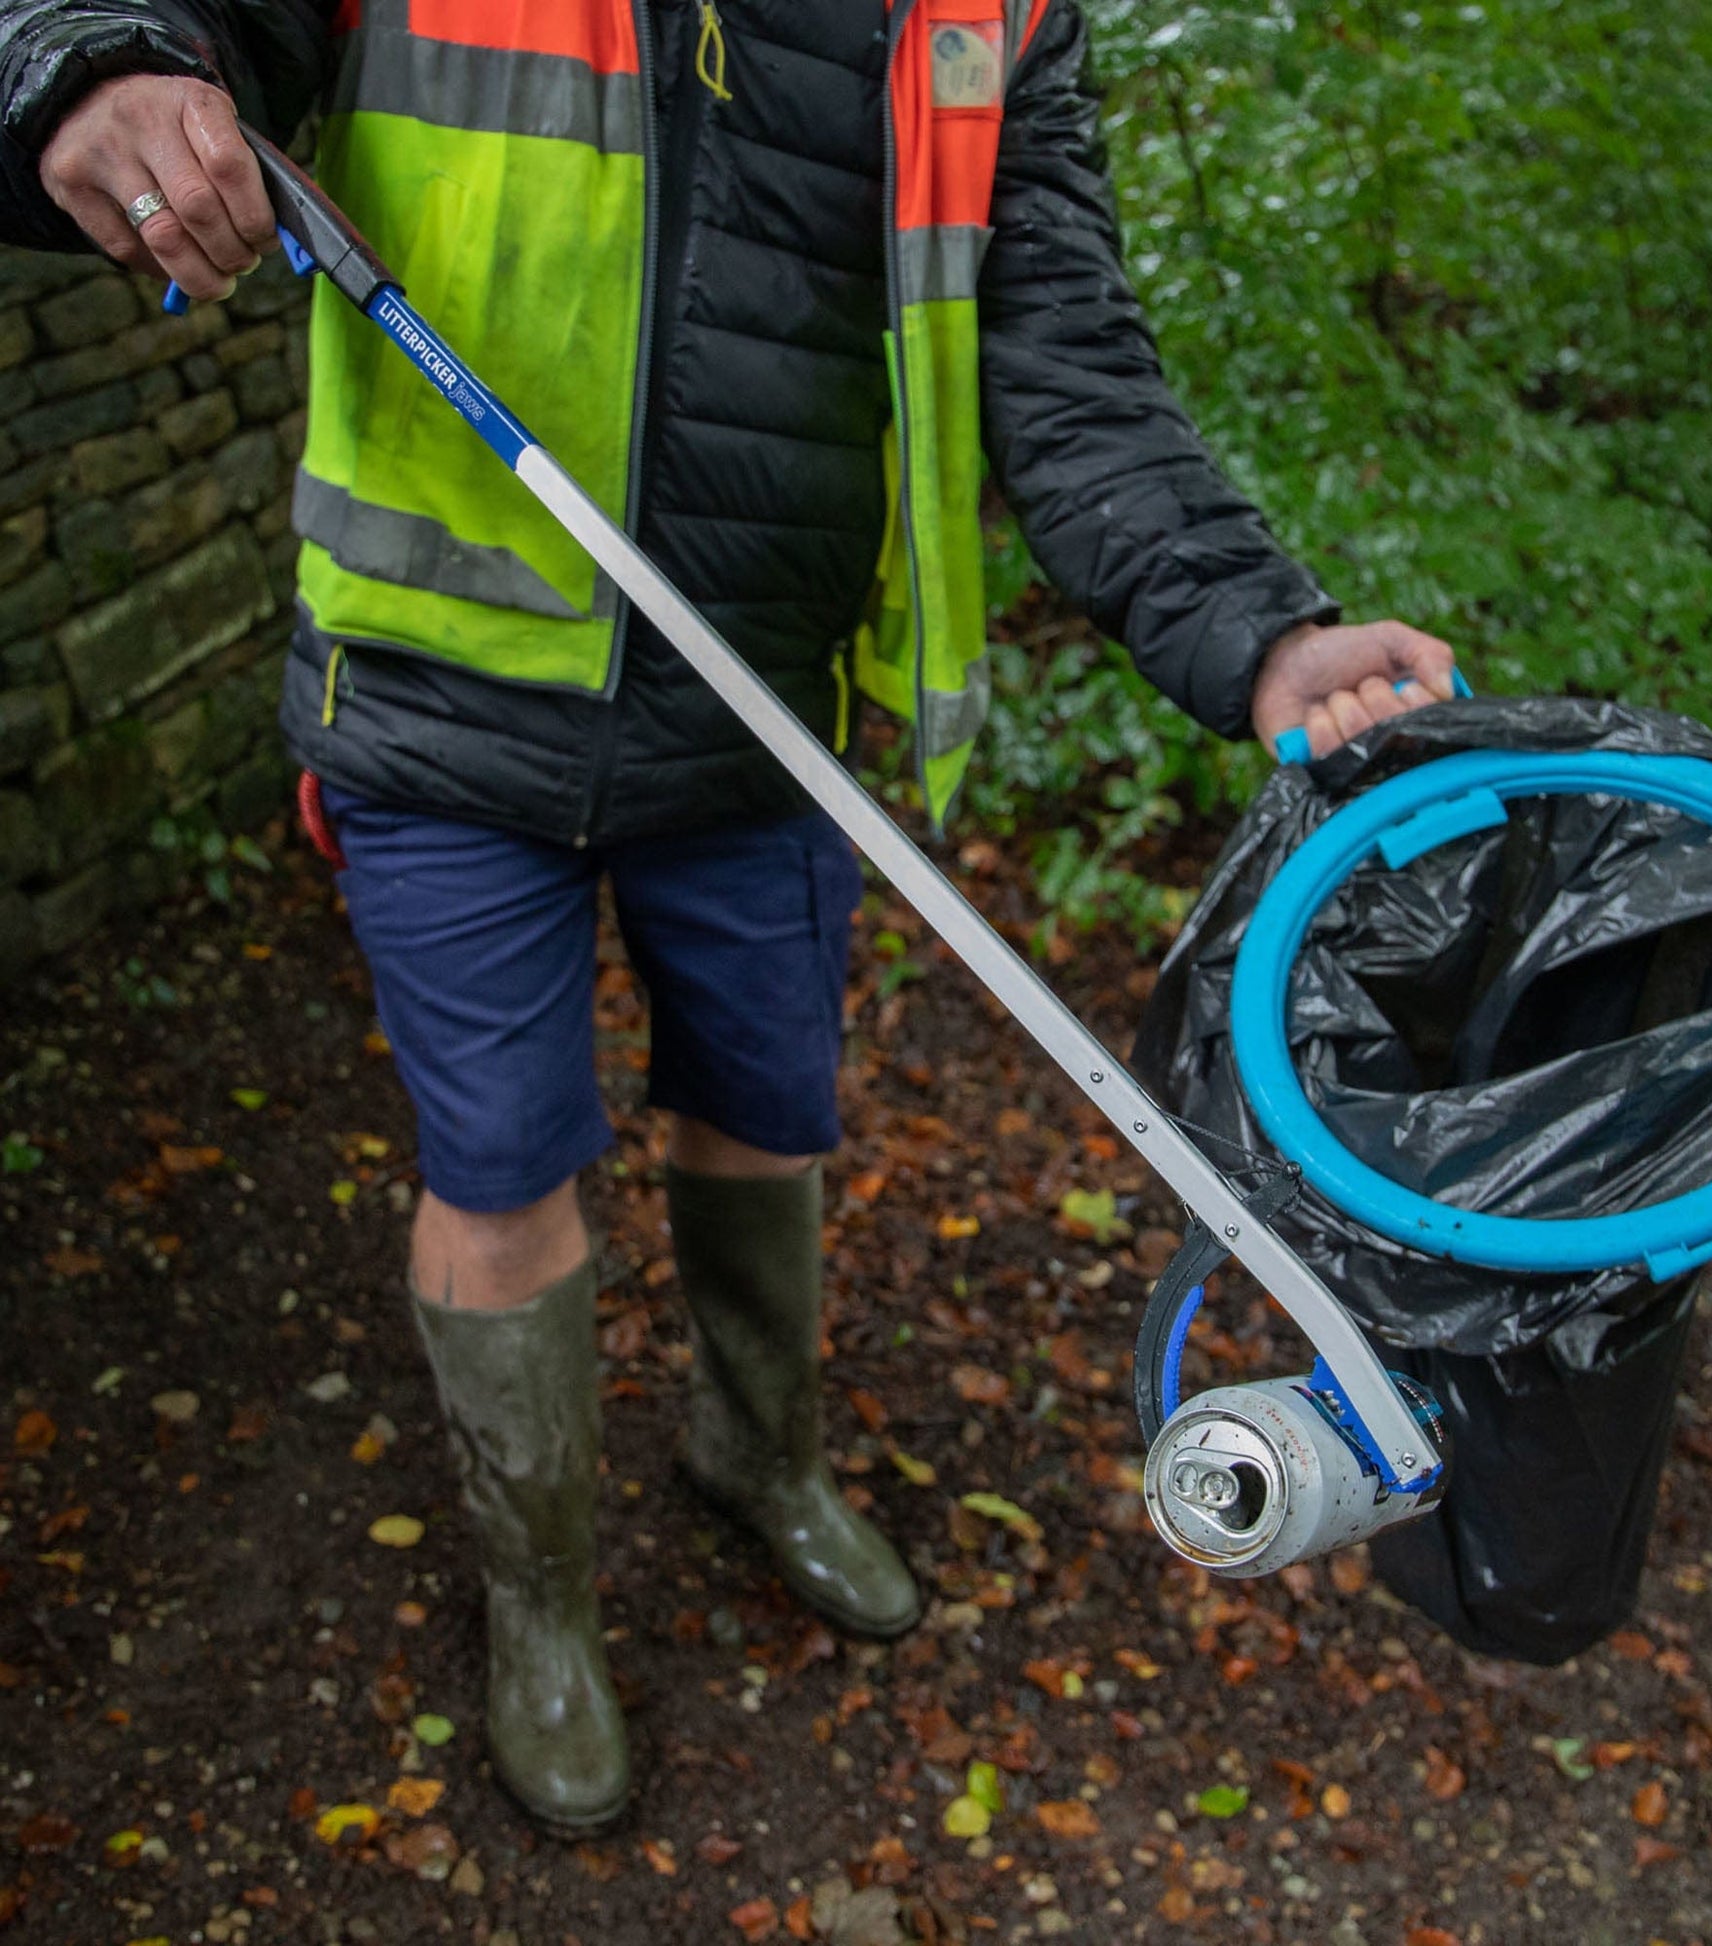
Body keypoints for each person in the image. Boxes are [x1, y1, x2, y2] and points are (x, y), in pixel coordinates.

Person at [0, 0, 1456, 1832]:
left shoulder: (991, 17)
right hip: (440, 700)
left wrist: (1260, 630)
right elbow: (143, 32)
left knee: (764, 1116)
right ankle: (540, 1605)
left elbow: (1064, 359)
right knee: (504, 1170)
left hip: (768, 720)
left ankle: (754, 1451)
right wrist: (88, 65)